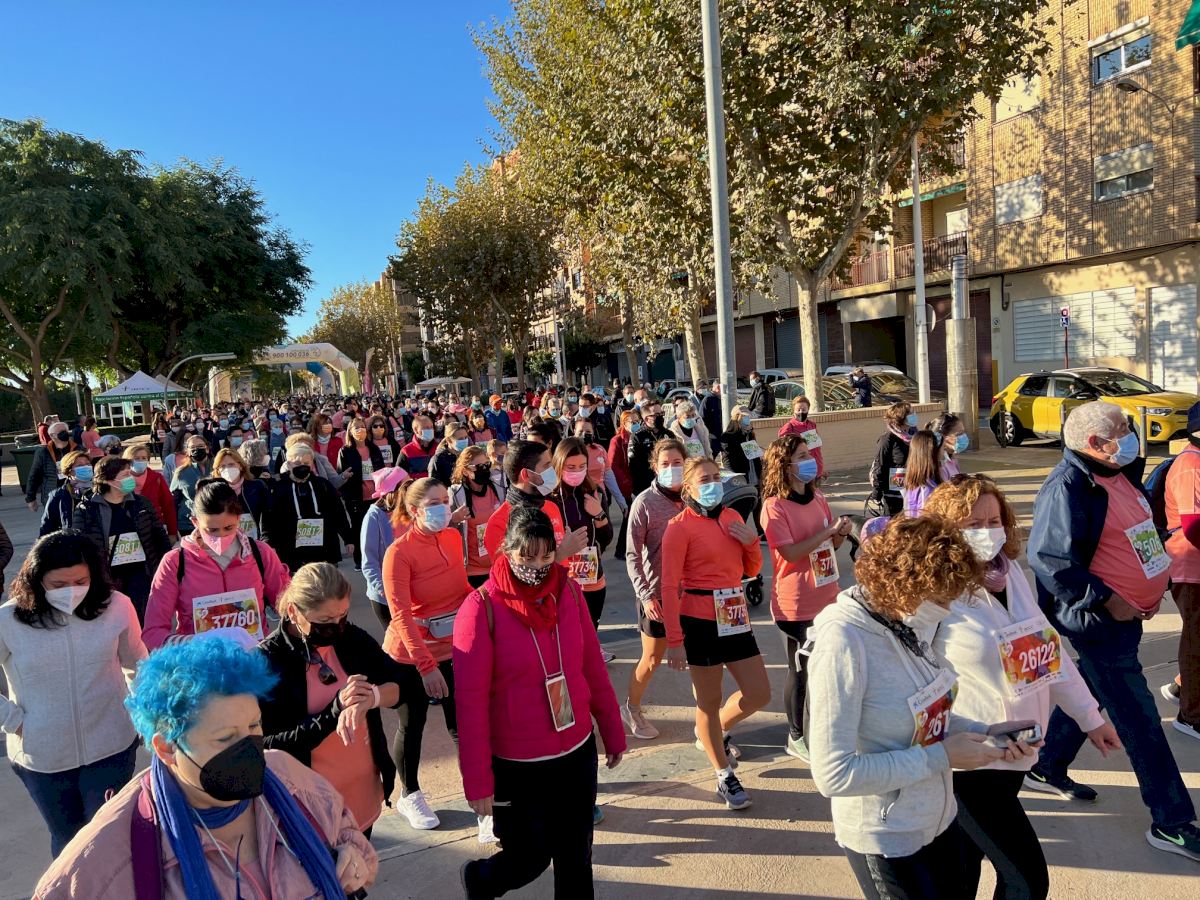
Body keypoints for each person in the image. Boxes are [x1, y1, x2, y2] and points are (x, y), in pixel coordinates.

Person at [37, 636, 376, 898]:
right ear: (167, 747)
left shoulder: (290, 780)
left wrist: (353, 859)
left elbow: (346, 834)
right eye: (226, 738)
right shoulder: (113, 854)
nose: (250, 748)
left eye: (254, 726)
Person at [924, 474, 1118, 899]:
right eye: (973, 524)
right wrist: (947, 739)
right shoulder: (935, 592)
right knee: (1027, 882)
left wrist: (1090, 718)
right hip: (967, 762)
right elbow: (911, 679)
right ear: (945, 529)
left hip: (1019, 750)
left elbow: (1046, 650)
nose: (987, 532)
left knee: (962, 872)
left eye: (994, 521)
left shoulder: (1008, 574)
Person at [807, 515, 1022, 897]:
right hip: (886, 839)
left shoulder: (908, 618)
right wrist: (942, 757)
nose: (947, 608)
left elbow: (925, 712)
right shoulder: (843, 642)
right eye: (941, 598)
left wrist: (986, 732)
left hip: (938, 819)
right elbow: (833, 774)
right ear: (905, 584)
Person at [1026, 401, 1200, 859]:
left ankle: (1046, 767)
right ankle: (1171, 821)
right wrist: (1109, 599)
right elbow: (1050, 561)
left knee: (1090, 687)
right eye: (1121, 428)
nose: (1130, 434)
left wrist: (1152, 580)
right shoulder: (1067, 486)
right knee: (1141, 721)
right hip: (1099, 621)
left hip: (1127, 617)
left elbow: (1138, 533)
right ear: (1094, 442)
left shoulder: (1117, 473)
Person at [455, 506, 626, 898]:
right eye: (527, 557)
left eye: (546, 555)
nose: (537, 566)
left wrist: (611, 729)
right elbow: (470, 704)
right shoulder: (481, 608)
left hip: (575, 751)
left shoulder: (569, 592)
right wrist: (478, 780)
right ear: (506, 549)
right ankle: (480, 880)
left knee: (576, 857)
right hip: (519, 765)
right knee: (528, 858)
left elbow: (591, 666)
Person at [1, 531, 146, 858]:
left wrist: (143, 715)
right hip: (43, 758)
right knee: (69, 844)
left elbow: (138, 664)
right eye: (58, 585)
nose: (71, 591)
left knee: (106, 838)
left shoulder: (117, 607)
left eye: (81, 582)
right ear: (36, 579)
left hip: (111, 746)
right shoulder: (8, 620)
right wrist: (14, 721)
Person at [260, 563, 406, 837]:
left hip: (362, 797)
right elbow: (266, 746)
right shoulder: (267, 662)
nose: (336, 628)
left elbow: (403, 684)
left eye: (342, 616)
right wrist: (334, 711)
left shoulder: (350, 638)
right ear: (293, 611)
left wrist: (371, 698)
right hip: (307, 809)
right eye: (325, 621)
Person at [661, 457, 769, 810]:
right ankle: (724, 775)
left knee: (759, 693)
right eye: (704, 479)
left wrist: (751, 542)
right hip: (699, 619)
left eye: (716, 477)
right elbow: (669, 586)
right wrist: (674, 640)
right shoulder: (679, 527)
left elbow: (750, 569)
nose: (712, 484)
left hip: (734, 612)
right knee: (707, 700)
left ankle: (713, 731)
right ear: (688, 488)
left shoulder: (732, 517)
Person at [382, 477, 471, 832]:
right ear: (414, 510)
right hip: (410, 655)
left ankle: (479, 796)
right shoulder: (398, 553)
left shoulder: (452, 537)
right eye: (434, 503)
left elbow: (462, 589)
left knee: (461, 725)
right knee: (412, 723)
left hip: (453, 646)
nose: (443, 508)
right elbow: (401, 615)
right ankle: (410, 793)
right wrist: (426, 666)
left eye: (446, 500)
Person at [759, 435, 851, 762]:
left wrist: (839, 534)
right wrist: (827, 532)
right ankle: (796, 735)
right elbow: (790, 553)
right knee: (801, 670)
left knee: (828, 669)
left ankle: (824, 728)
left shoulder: (818, 497)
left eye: (807, 453)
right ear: (785, 465)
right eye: (801, 456)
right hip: (796, 603)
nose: (809, 459)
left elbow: (831, 546)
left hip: (828, 594)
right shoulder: (773, 507)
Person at [144, 480, 291, 650]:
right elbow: (153, 633)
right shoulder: (175, 562)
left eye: (228, 528)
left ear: (238, 518)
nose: (221, 537)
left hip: (254, 660)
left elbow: (290, 609)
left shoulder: (261, 553)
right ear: (195, 522)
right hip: (200, 662)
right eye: (212, 530)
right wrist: (197, 643)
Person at [623, 437, 687, 741]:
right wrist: (646, 596)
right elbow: (632, 555)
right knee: (652, 660)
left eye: (677, 463)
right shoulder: (645, 503)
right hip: (658, 597)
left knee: (701, 662)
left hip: (693, 596)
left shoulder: (695, 496)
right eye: (665, 464)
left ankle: (711, 728)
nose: (672, 468)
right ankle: (631, 707)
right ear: (655, 467)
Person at [73, 456, 170, 622]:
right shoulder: (87, 509)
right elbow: (78, 544)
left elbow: (159, 536)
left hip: (141, 574)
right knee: (113, 621)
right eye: (125, 475)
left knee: (141, 619)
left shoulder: (141, 504)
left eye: (130, 474)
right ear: (108, 480)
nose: (131, 478)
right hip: (108, 577)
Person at [552, 438, 614, 653]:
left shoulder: (594, 491)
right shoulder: (549, 498)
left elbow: (606, 538)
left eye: (582, 466)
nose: (577, 472)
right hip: (562, 582)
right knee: (567, 642)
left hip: (593, 579)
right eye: (571, 467)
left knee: (589, 638)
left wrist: (599, 514)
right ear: (559, 465)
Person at [1164, 401, 1200, 742]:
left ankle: (1180, 687)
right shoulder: (1191, 466)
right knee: (1196, 642)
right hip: (1192, 567)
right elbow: (1194, 527)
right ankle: (1191, 717)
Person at [483, 439, 583, 562]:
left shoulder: (551, 507)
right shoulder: (499, 523)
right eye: (546, 466)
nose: (553, 470)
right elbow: (510, 573)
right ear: (526, 474)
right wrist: (561, 554)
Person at [263, 445, 355, 574]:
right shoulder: (278, 488)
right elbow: (270, 519)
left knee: (324, 581)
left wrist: (348, 539)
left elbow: (338, 512)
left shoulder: (323, 484)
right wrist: (269, 544)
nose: (302, 466)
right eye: (297, 463)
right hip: (292, 549)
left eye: (306, 463)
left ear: (312, 464)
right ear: (288, 464)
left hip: (323, 547)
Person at [362, 467, 411, 628]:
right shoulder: (374, 517)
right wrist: (385, 590)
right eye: (407, 485)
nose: (412, 488)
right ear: (393, 492)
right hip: (386, 597)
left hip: (410, 592)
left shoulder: (410, 511)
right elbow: (369, 563)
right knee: (396, 640)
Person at [450, 445, 503, 589]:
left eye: (487, 465)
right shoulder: (456, 495)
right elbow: (444, 528)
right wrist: (453, 519)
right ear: (466, 471)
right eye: (479, 467)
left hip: (499, 563)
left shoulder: (498, 488)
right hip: (473, 570)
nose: (484, 469)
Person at [336, 417, 385, 570]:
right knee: (358, 528)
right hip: (356, 497)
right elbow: (341, 476)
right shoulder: (345, 451)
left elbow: (382, 470)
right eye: (356, 427)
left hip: (375, 496)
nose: (360, 430)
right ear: (350, 432)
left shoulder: (373, 448)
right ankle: (359, 560)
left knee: (376, 528)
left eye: (362, 426)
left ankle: (376, 557)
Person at [123, 444, 178, 544]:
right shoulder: (121, 479)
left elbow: (168, 506)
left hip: (153, 530)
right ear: (128, 460)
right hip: (128, 532)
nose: (141, 461)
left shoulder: (156, 478)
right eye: (136, 458)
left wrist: (172, 532)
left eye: (144, 458)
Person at [868, 401, 915, 516]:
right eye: (911, 413)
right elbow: (880, 465)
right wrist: (877, 493)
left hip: (912, 488)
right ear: (902, 417)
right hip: (894, 493)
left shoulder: (914, 435)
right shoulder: (887, 439)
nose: (914, 415)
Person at [213, 448, 269, 540]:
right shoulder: (216, 492)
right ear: (218, 470)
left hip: (257, 541)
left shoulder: (257, 486)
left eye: (231, 464)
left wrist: (265, 541)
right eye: (222, 466)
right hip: (230, 542)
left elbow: (267, 516)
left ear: (240, 465)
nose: (227, 469)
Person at [39, 450, 94, 536]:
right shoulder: (59, 495)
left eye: (88, 464)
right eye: (80, 465)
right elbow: (47, 526)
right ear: (69, 471)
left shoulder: (102, 489)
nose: (86, 467)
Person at [25, 421, 76, 512]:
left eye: (65, 431)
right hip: (51, 493)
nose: (64, 433)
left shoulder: (77, 449)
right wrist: (30, 498)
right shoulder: (43, 452)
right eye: (61, 432)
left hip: (74, 492)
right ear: (52, 435)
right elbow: (34, 475)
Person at [169, 435, 213, 536]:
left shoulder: (218, 467)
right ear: (187, 451)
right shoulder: (181, 472)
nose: (197, 449)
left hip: (215, 522)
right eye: (193, 447)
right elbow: (173, 500)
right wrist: (172, 529)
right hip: (188, 524)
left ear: (207, 448)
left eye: (200, 446)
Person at [777, 394, 825, 477]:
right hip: (801, 470)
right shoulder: (789, 427)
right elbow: (783, 449)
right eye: (798, 410)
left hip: (816, 467)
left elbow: (816, 447)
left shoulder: (812, 425)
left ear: (808, 410)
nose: (801, 412)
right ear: (793, 411)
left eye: (804, 409)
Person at [901, 430, 945, 516]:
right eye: (943, 448)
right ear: (933, 452)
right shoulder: (926, 489)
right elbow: (924, 519)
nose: (944, 452)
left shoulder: (919, 484)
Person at [720, 405, 763, 486]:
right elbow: (727, 461)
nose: (747, 419)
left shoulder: (750, 434)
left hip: (755, 477)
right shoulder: (727, 437)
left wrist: (760, 474)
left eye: (748, 417)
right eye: (744, 416)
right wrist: (734, 478)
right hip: (740, 478)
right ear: (736, 417)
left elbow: (755, 457)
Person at [928, 411, 968, 480]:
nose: (964, 436)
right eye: (959, 434)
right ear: (943, 437)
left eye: (963, 432)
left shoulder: (951, 459)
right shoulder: (937, 466)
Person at [399, 413, 438, 477]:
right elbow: (399, 476)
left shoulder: (439, 448)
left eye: (431, 427)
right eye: (426, 428)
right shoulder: (406, 451)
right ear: (416, 430)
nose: (430, 430)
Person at [700, 380, 724, 455]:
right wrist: (709, 433)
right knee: (711, 456)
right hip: (712, 436)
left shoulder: (723, 399)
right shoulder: (707, 400)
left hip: (722, 435)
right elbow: (702, 418)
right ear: (717, 387)